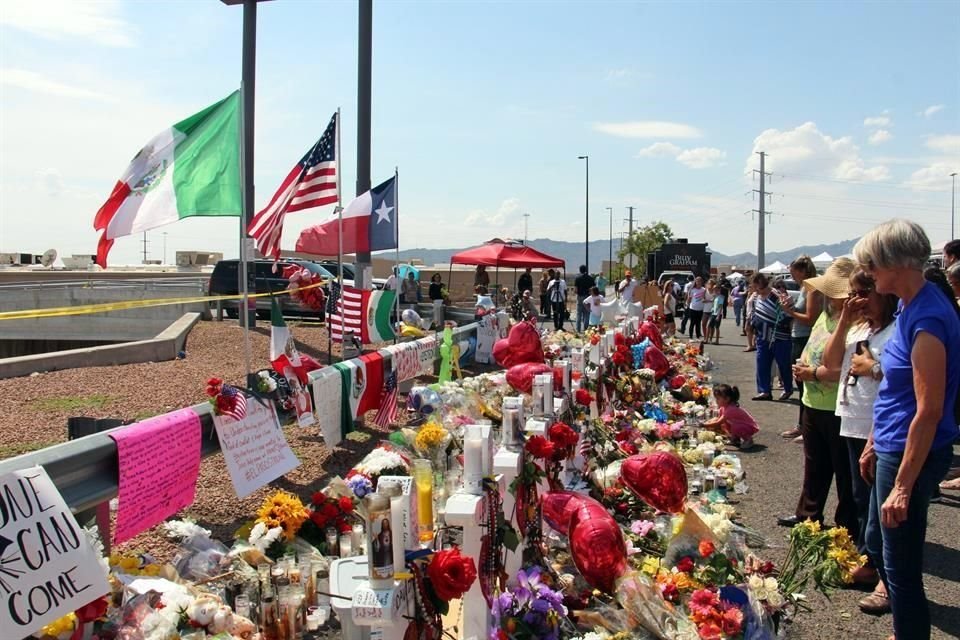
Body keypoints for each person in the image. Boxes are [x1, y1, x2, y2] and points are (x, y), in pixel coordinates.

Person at [854, 220, 960, 640]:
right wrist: (874, 441)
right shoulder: (909, 305)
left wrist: (901, 485)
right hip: (892, 443)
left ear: (894, 263)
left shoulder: (929, 316)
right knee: (878, 544)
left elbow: (928, 409)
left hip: (910, 452)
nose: (869, 275)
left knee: (899, 563)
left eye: (872, 266)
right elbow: (897, 393)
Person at [821, 268, 898, 600]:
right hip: (852, 420)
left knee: (879, 504)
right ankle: (870, 561)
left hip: (879, 426)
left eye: (865, 292)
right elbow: (831, 360)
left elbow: (904, 380)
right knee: (860, 498)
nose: (859, 300)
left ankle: (885, 575)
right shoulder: (859, 328)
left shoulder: (896, 331)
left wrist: (875, 368)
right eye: (853, 294)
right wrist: (844, 319)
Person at [777, 257, 858, 539]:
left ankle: (847, 526)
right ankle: (808, 516)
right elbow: (816, 343)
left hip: (837, 404)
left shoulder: (856, 323)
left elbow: (844, 368)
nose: (830, 296)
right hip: (814, 400)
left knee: (843, 470)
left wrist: (811, 372)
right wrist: (803, 366)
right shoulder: (827, 314)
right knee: (814, 464)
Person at [780, 255, 824, 441]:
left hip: (806, 338)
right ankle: (803, 425)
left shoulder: (812, 287)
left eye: (793, 273)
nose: (792, 276)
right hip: (799, 336)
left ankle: (806, 428)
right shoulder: (805, 287)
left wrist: (789, 311)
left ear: (801, 271)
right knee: (801, 383)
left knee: (804, 383)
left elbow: (811, 318)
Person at [749, 272, 793, 400]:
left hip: (780, 337)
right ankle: (765, 391)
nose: (758, 290)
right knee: (762, 363)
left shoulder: (776, 296)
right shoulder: (756, 297)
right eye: (755, 288)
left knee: (783, 364)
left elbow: (788, 314)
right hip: (762, 337)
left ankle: (787, 388)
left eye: (760, 288)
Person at [703, 384, 759, 450]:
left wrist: (704, 425)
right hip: (740, 424)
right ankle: (735, 438)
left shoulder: (731, 409)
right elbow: (719, 420)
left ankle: (748, 440)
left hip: (749, 426)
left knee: (735, 427)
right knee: (726, 424)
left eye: (718, 399)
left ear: (727, 399)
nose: (716, 401)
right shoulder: (723, 408)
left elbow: (718, 422)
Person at [574, 265, 596, 333]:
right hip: (588, 297)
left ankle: (578, 329)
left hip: (580, 297)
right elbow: (594, 288)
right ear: (586, 270)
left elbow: (576, 290)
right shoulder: (590, 278)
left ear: (580, 270)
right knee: (587, 313)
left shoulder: (577, 278)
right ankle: (586, 328)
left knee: (579, 313)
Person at [744, 281, 758, 352]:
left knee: (749, 329)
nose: (748, 288)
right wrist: (748, 296)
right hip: (749, 314)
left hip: (752, 315)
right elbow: (746, 303)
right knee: (748, 329)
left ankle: (751, 345)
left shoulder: (756, 294)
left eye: (750, 287)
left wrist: (751, 315)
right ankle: (752, 344)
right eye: (748, 287)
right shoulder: (751, 294)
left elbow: (755, 305)